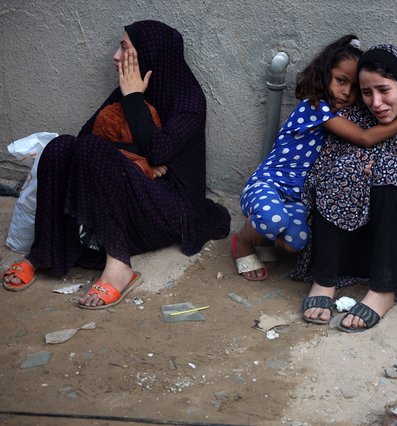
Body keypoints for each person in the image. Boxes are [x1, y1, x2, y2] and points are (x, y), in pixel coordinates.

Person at [3, 20, 231, 308]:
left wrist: (134, 99)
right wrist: (134, 156)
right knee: (60, 147)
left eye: (124, 48)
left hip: (170, 209)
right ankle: (43, 253)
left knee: (92, 150)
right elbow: (86, 137)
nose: (115, 55)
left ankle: (119, 266)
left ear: (148, 55)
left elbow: (159, 152)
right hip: (132, 195)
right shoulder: (126, 90)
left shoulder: (188, 101)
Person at [233, 35, 397, 281]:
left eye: (355, 89)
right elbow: (365, 138)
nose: (345, 92)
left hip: (297, 197)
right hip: (269, 184)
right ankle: (243, 242)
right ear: (324, 74)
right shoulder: (315, 108)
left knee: (297, 243)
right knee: (273, 218)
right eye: (340, 81)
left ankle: (265, 234)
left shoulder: (341, 114)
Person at [292, 44, 397, 332]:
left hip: (393, 251)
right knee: (349, 165)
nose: (376, 102)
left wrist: (389, 179)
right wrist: (358, 171)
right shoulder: (349, 124)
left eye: (384, 90)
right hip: (344, 247)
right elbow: (316, 185)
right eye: (366, 92)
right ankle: (324, 281)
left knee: (388, 168)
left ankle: (382, 291)